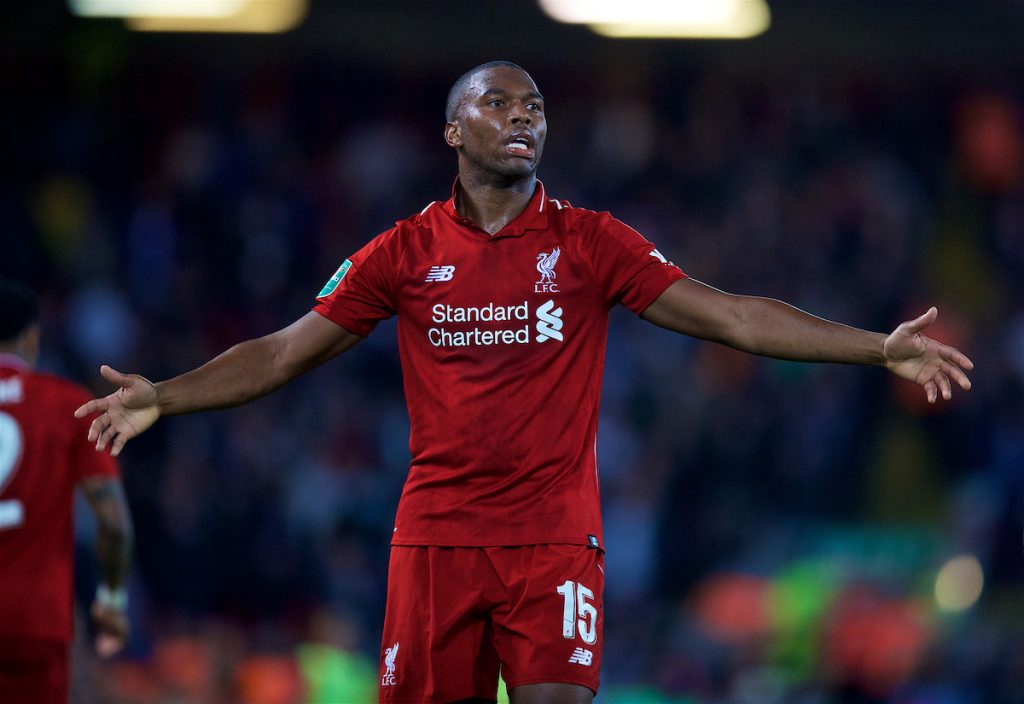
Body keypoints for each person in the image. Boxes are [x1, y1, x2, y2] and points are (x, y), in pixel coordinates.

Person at [75, 61, 973, 704]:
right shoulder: (402, 252)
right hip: (436, 543)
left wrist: (875, 348)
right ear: (453, 131)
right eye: (497, 102)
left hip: (553, 542)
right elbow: (280, 351)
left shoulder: (590, 243)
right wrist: (166, 394)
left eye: (535, 106)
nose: (523, 117)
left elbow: (732, 314)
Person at [0, 281, 133, 704]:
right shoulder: (68, 407)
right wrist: (111, 601)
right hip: (36, 622)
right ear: (32, 338)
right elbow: (113, 523)